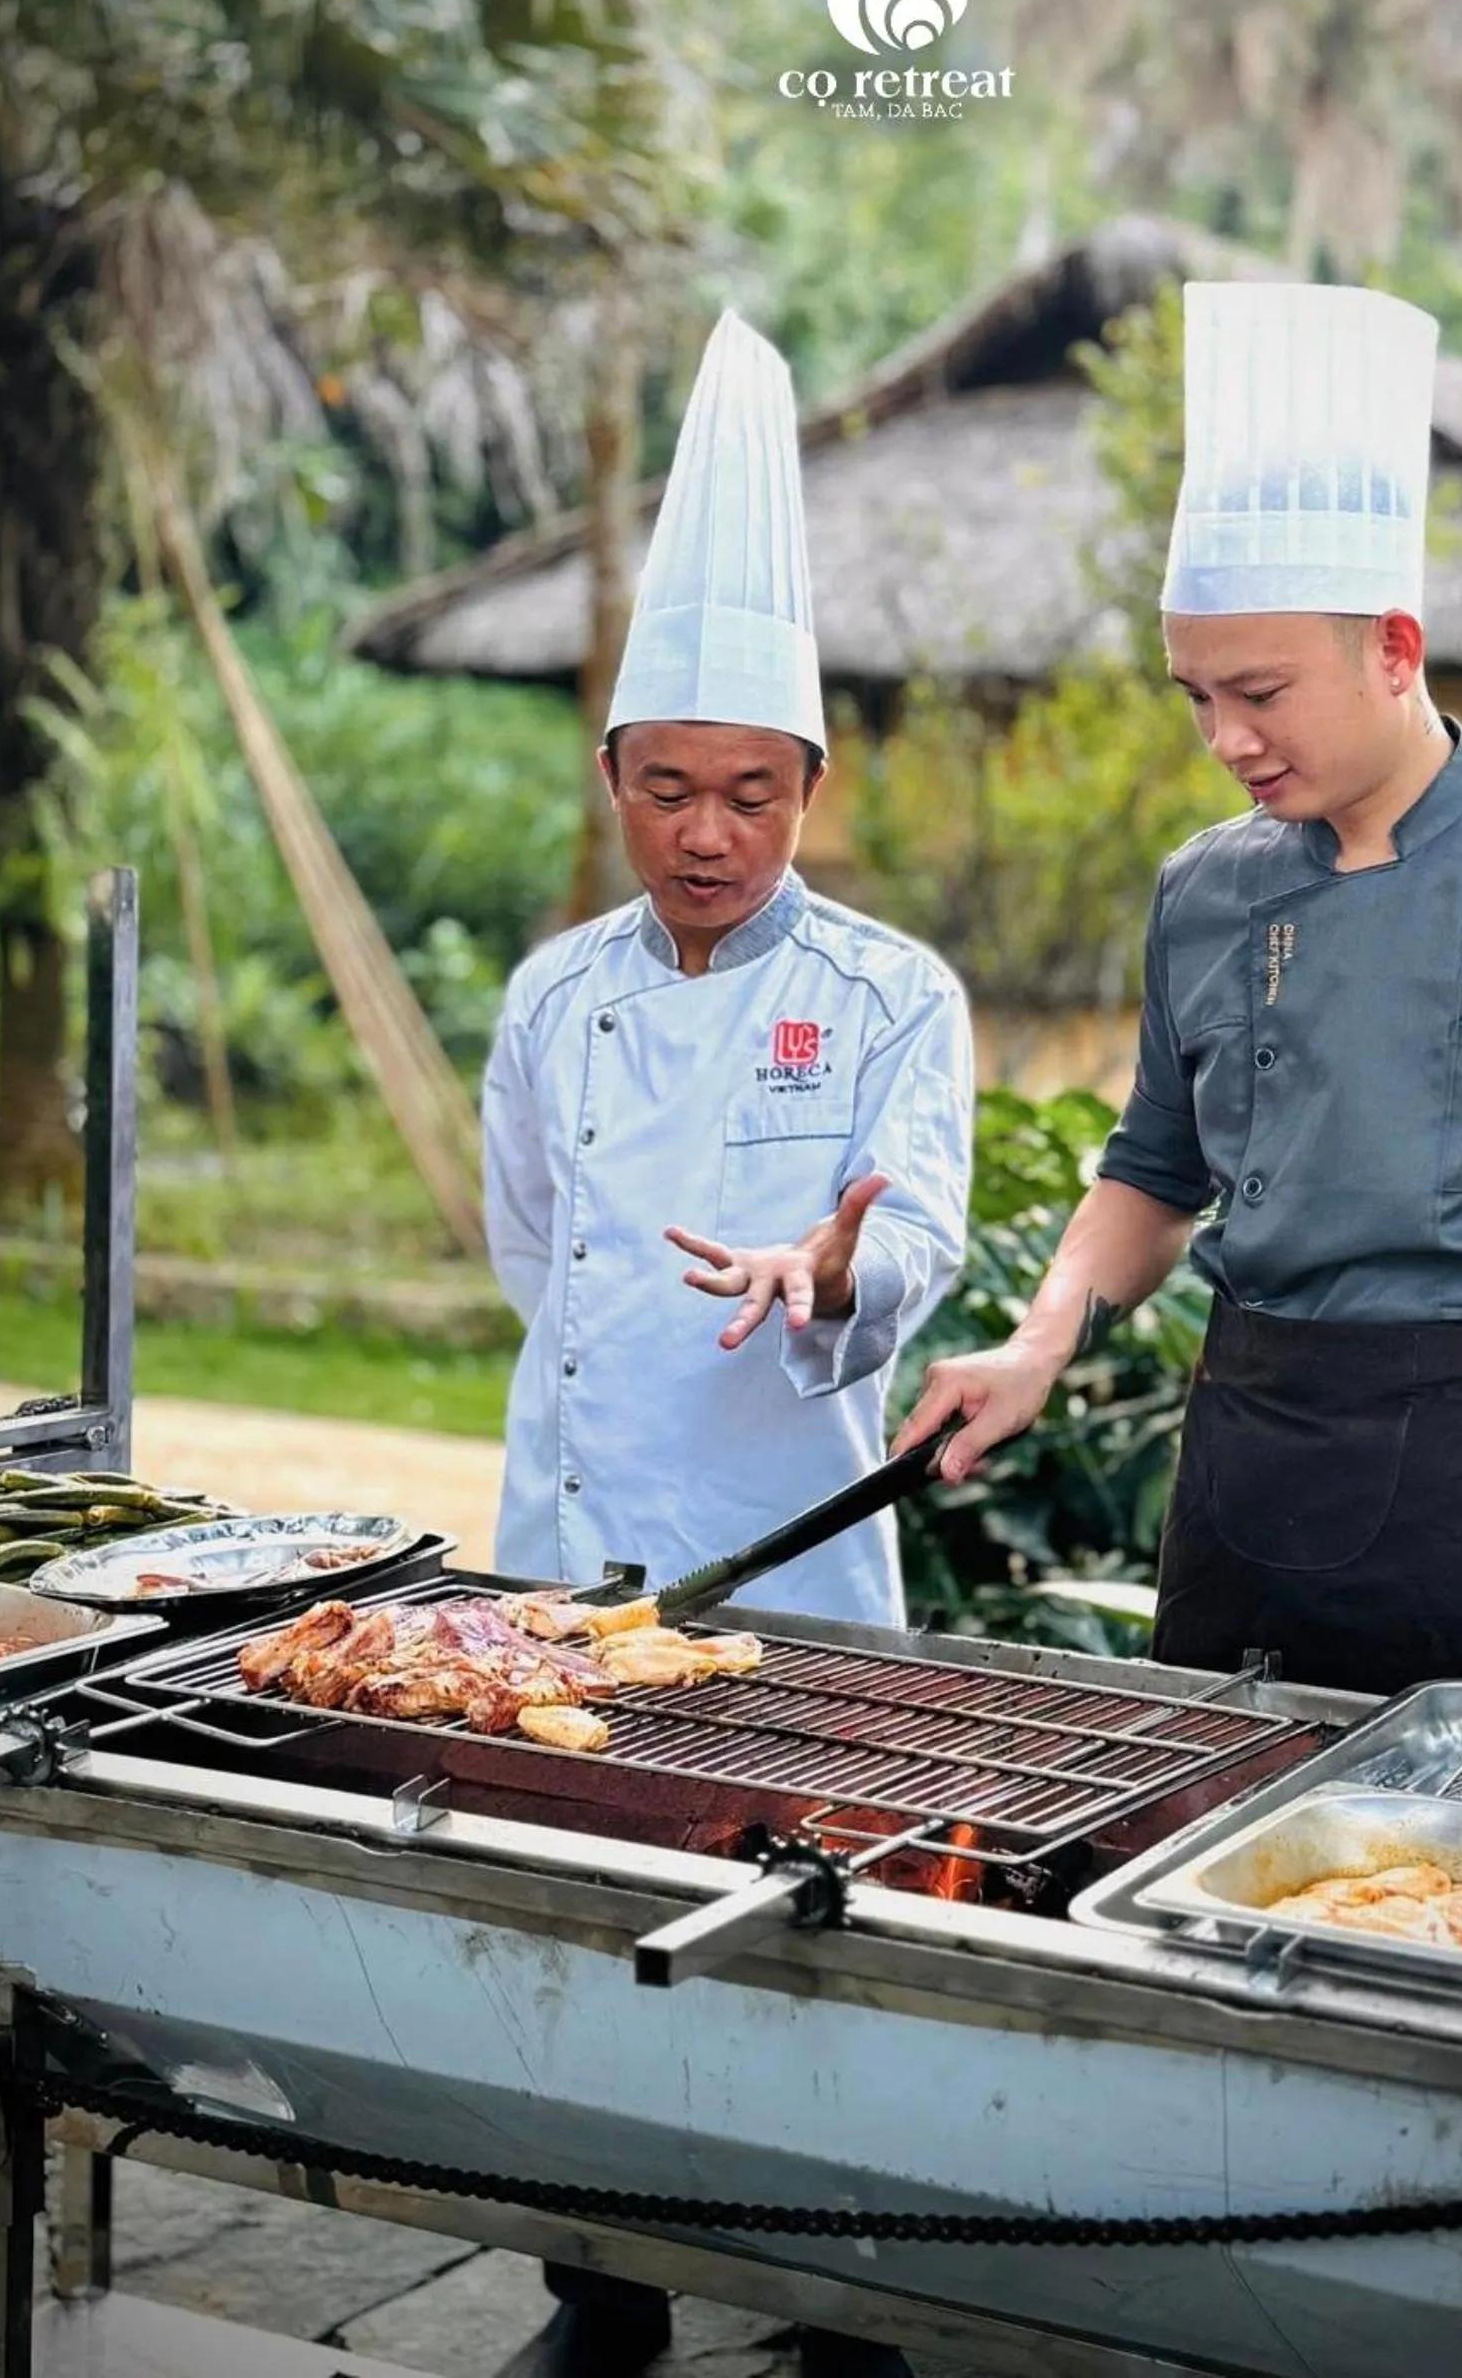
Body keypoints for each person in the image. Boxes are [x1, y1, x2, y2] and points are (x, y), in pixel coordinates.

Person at [896, 278, 1462, 1704]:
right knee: (1193, 1859)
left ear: (1393, 647)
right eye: (1196, 696)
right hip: (1244, 1453)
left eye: (1260, 691)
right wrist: (1041, 1336)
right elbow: (1152, 1170)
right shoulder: (1204, 888)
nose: (1225, 739)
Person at [485, 310, 971, 2378]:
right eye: (669, 791)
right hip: (566, 1543)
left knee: (798, 1944)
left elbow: (924, 1239)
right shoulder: (547, 995)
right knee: (574, 1933)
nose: (707, 835)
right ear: (612, 778)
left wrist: (832, 1284)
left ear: (809, 792)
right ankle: (603, 2295)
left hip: (785, 1554)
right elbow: (536, 1246)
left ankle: (834, 2304)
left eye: (751, 798)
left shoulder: (887, 999)